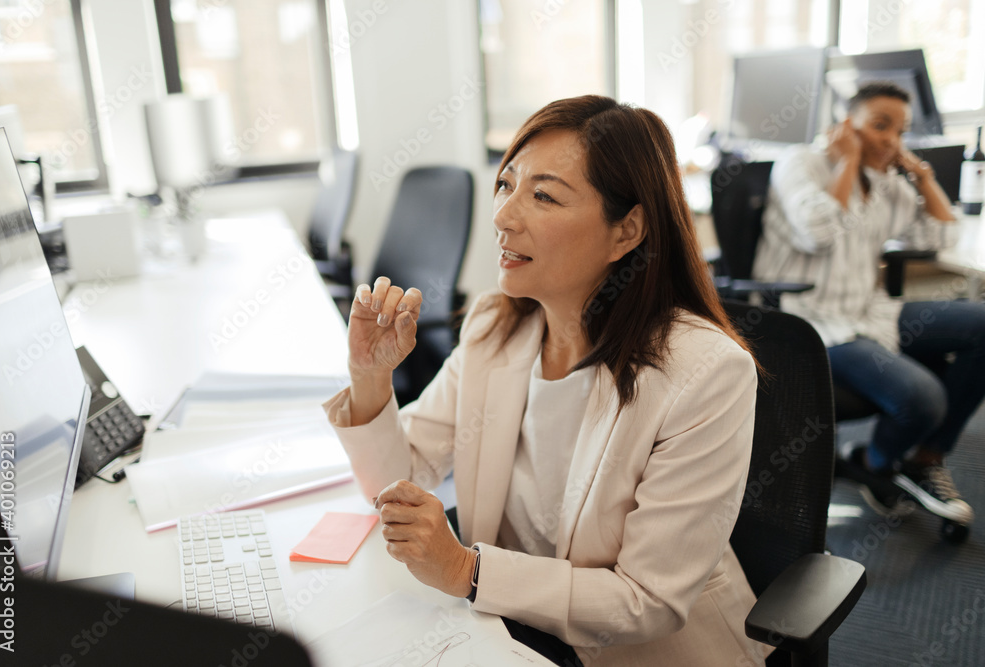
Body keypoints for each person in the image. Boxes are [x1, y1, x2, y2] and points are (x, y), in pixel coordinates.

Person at [322, 96, 769, 666]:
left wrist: (466, 569)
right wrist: (370, 377)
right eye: (507, 185)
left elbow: (648, 601)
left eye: (543, 196)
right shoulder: (495, 326)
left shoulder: (706, 372)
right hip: (512, 636)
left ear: (626, 230)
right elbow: (397, 483)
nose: (504, 217)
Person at [754, 81, 985, 524]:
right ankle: (876, 464)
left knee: (980, 323)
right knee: (924, 397)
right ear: (846, 124)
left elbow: (939, 235)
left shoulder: (885, 183)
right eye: (880, 126)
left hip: (870, 311)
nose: (890, 140)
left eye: (900, 131)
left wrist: (922, 176)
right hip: (813, 321)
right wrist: (848, 162)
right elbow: (820, 232)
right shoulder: (799, 163)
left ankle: (924, 460)